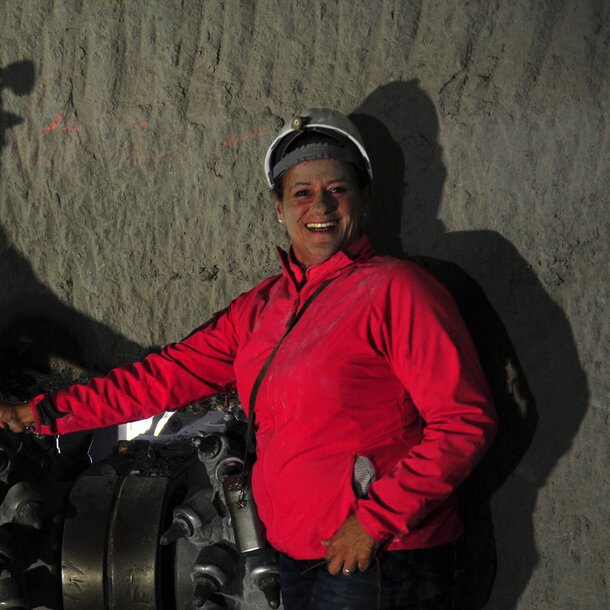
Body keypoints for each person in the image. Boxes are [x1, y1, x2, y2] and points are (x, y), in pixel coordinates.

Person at [0, 108, 496, 609]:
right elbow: (163, 377)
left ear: (362, 200)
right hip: (302, 557)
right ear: (279, 208)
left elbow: (464, 422)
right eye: (301, 192)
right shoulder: (262, 309)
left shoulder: (397, 290)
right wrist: (44, 414)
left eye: (337, 189)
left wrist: (373, 521)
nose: (319, 204)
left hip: (384, 558)